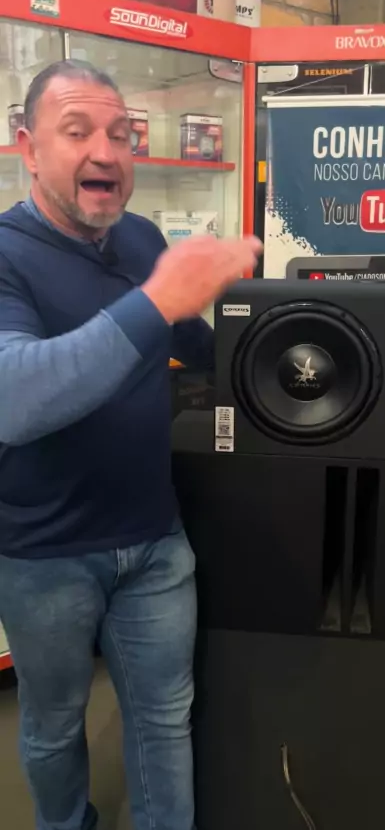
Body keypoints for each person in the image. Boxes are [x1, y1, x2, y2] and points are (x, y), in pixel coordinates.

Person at [0, 59, 261, 830]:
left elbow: (197, 345)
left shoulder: (143, 239)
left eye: (121, 134)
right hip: (45, 555)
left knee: (163, 717)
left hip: (154, 541)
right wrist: (159, 300)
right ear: (28, 148)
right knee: (54, 727)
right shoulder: (5, 254)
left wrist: (282, 355)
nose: (105, 152)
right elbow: (16, 398)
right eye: (77, 131)